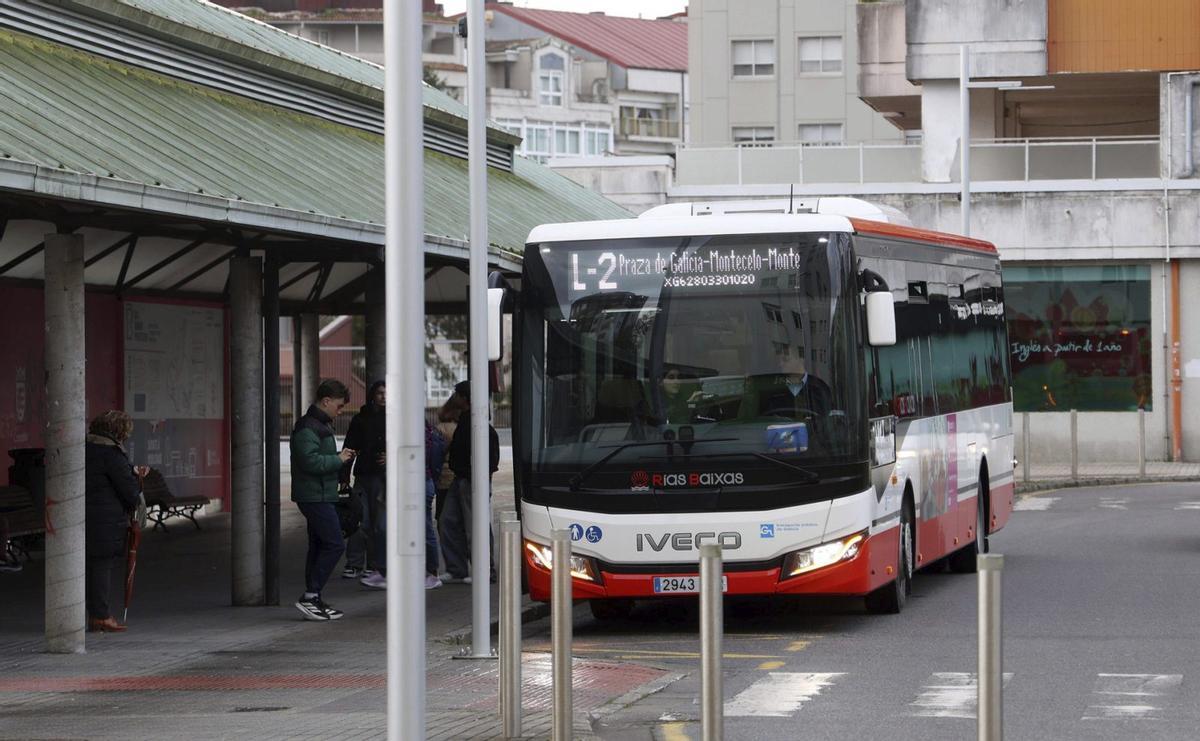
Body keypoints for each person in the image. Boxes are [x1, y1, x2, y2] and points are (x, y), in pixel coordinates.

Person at [291, 379, 355, 621]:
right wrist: (338, 460)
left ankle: (314, 596)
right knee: (335, 544)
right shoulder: (308, 427)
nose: (340, 411)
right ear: (326, 401)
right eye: (338, 406)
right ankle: (310, 595)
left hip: (320, 493)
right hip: (313, 495)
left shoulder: (319, 424)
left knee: (319, 545)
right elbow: (310, 462)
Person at [84, 410, 147, 633]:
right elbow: (130, 492)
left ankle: (92, 614)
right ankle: (100, 616)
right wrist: (137, 479)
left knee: (89, 567)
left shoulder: (84, 449)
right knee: (101, 566)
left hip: (84, 518)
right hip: (105, 520)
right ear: (119, 432)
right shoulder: (111, 455)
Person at [437, 380, 499, 585]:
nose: (454, 398)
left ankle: (485, 569)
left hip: (472, 479)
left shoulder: (478, 425)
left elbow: (489, 455)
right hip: (460, 478)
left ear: (465, 398)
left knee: (476, 526)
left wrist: (477, 475)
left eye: (457, 394)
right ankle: (456, 568)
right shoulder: (466, 421)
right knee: (448, 521)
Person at [341, 380, 385, 582]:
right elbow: (350, 448)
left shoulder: (397, 418)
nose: (384, 397)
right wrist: (343, 478)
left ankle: (374, 565)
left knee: (378, 523)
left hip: (383, 476)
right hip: (363, 475)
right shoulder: (361, 419)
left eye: (387, 393)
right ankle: (354, 563)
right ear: (372, 395)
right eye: (379, 393)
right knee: (359, 520)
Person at [751, 347, 833, 419]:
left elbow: (828, 420)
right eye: (779, 361)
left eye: (785, 359)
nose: (780, 364)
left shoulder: (819, 388)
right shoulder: (773, 390)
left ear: (801, 359)